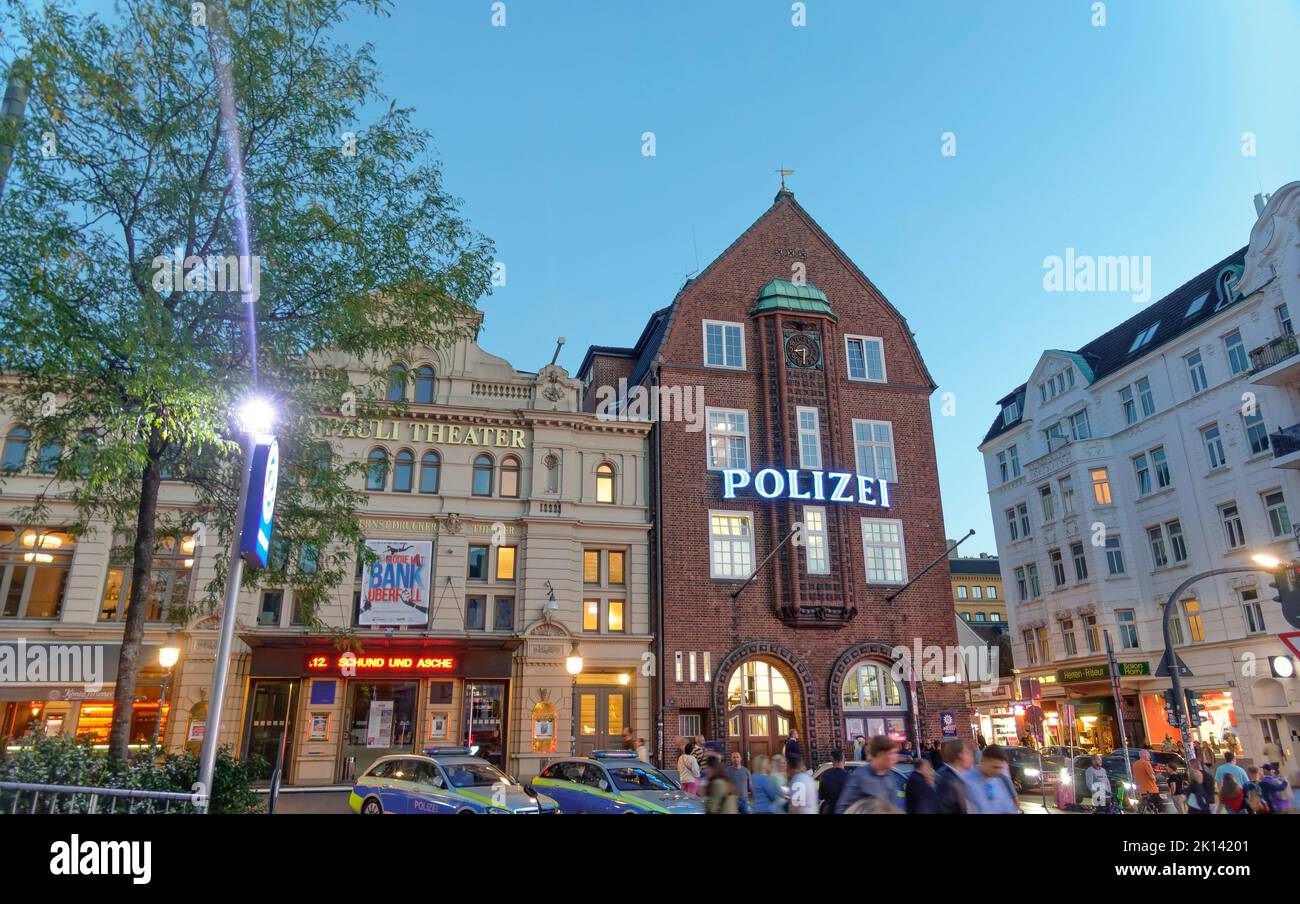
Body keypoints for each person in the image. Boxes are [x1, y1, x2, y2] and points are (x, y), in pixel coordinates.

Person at [836, 735, 904, 813]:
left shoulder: (889, 777)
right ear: (880, 754)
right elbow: (842, 809)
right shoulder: (860, 777)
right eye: (892, 753)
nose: (895, 757)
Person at [962, 744, 1020, 814]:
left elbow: (1008, 808)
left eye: (1000, 768)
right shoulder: (965, 781)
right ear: (983, 761)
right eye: (994, 767)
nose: (997, 771)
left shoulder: (998, 782)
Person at [934, 738, 973, 814]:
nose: (972, 757)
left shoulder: (961, 777)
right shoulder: (948, 781)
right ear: (960, 755)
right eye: (968, 753)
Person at [818, 748, 849, 815]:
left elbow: (821, 796)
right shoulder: (849, 776)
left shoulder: (825, 775)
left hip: (829, 810)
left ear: (832, 760)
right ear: (843, 760)